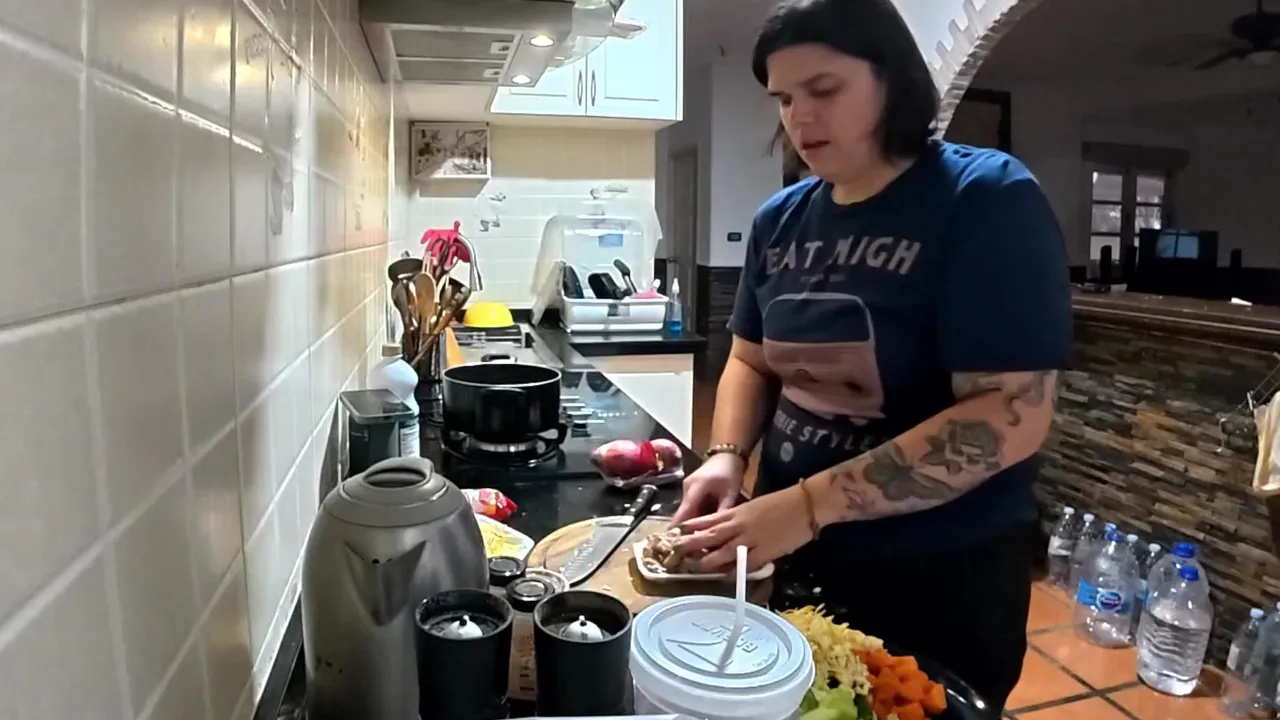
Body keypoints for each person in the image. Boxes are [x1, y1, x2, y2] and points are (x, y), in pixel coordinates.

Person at [668, 0, 1072, 712]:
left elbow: (1011, 413)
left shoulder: (984, 198)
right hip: (793, 552)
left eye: (824, 89)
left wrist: (807, 506)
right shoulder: (779, 219)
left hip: (936, 574)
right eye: (784, 99)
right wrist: (727, 456)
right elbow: (750, 361)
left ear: (892, 80)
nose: (799, 117)